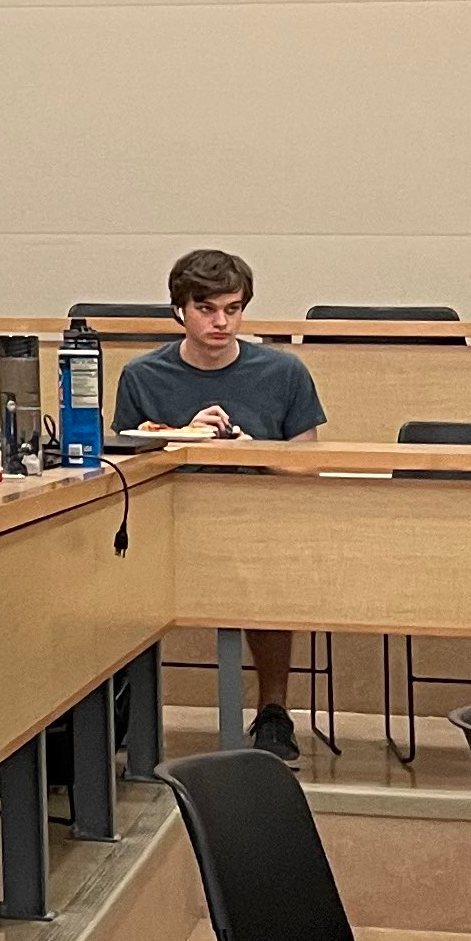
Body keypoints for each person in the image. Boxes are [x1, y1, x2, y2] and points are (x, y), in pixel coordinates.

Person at [111, 249, 327, 762]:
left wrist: (248, 449)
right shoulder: (142, 375)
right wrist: (184, 437)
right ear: (179, 312)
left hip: (256, 520)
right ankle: (122, 709)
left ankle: (273, 709)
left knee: (268, 568)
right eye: (207, 309)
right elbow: (125, 458)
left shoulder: (283, 371)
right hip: (169, 520)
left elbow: (308, 462)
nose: (221, 321)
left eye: (232, 308)